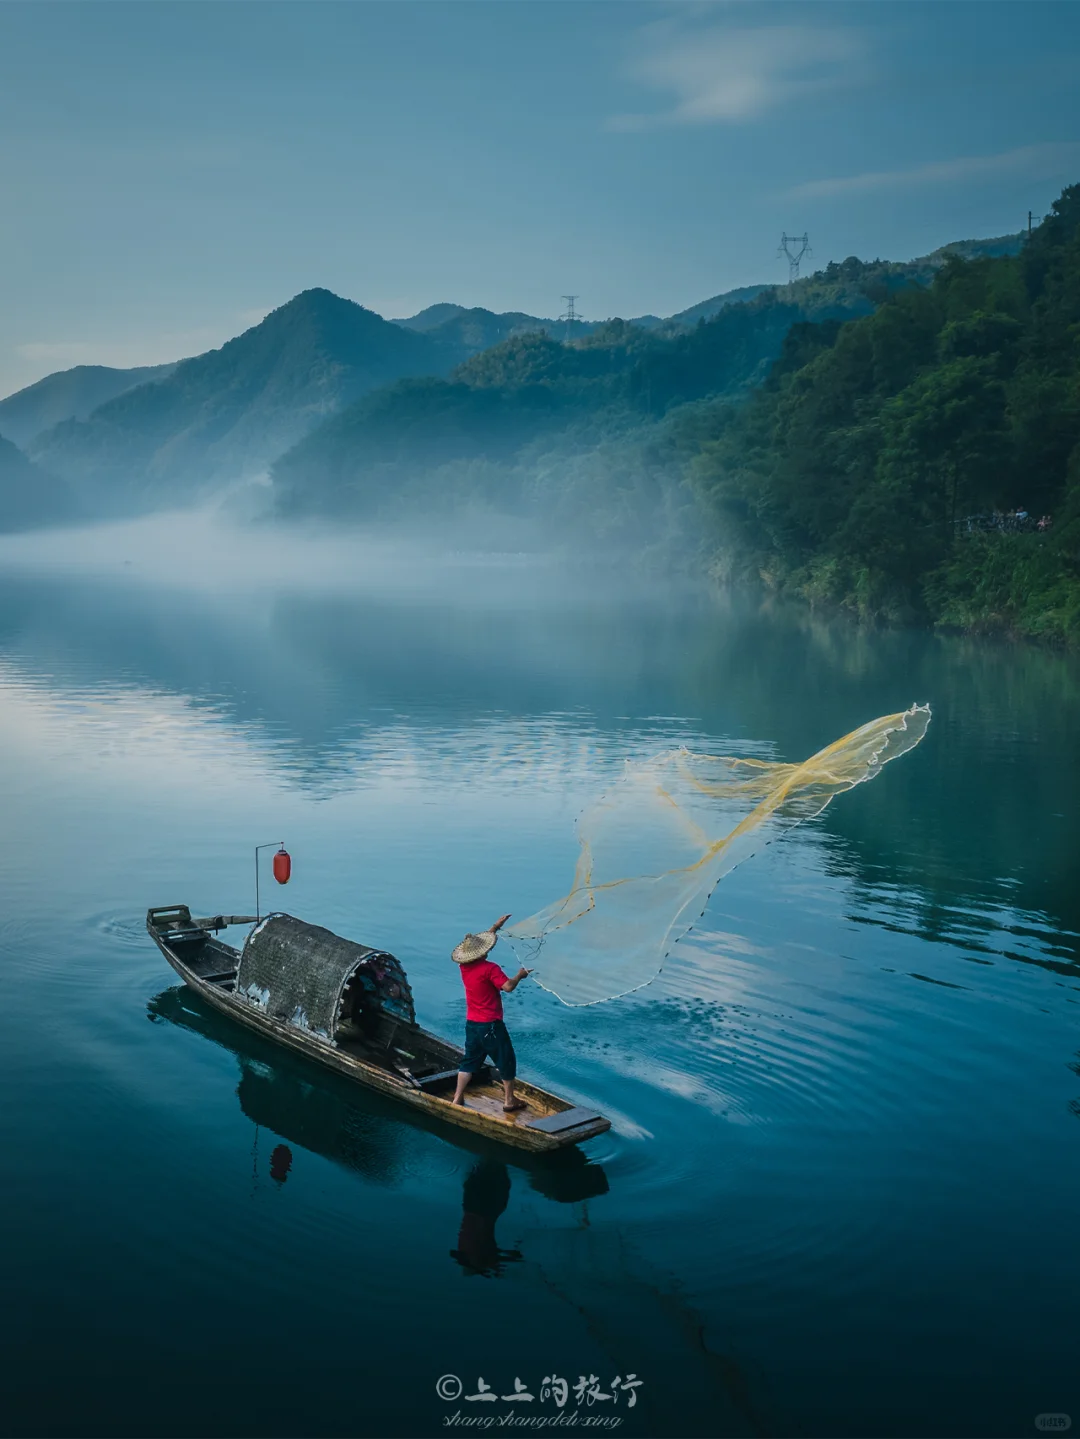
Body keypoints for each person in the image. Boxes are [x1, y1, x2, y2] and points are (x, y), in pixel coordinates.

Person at [450, 914, 532, 1112]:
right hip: (491, 1025)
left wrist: (495, 927)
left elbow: (481, 944)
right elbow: (508, 987)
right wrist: (520, 975)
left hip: (472, 1023)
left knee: (469, 1060)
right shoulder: (490, 968)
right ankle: (509, 1101)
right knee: (506, 1060)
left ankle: (457, 1098)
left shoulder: (464, 967)